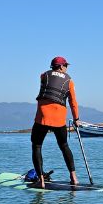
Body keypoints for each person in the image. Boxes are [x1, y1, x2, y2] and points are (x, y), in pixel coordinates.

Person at [32, 56, 81, 188]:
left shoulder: (43, 75)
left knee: (36, 146)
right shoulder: (69, 81)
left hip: (42, 117)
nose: (66, 68)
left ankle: (41, 180)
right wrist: (76, 119)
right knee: (64, 146)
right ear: (60, 66)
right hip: (59, 119)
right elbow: (73, 102)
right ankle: (74, 178)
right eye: (66, 66)